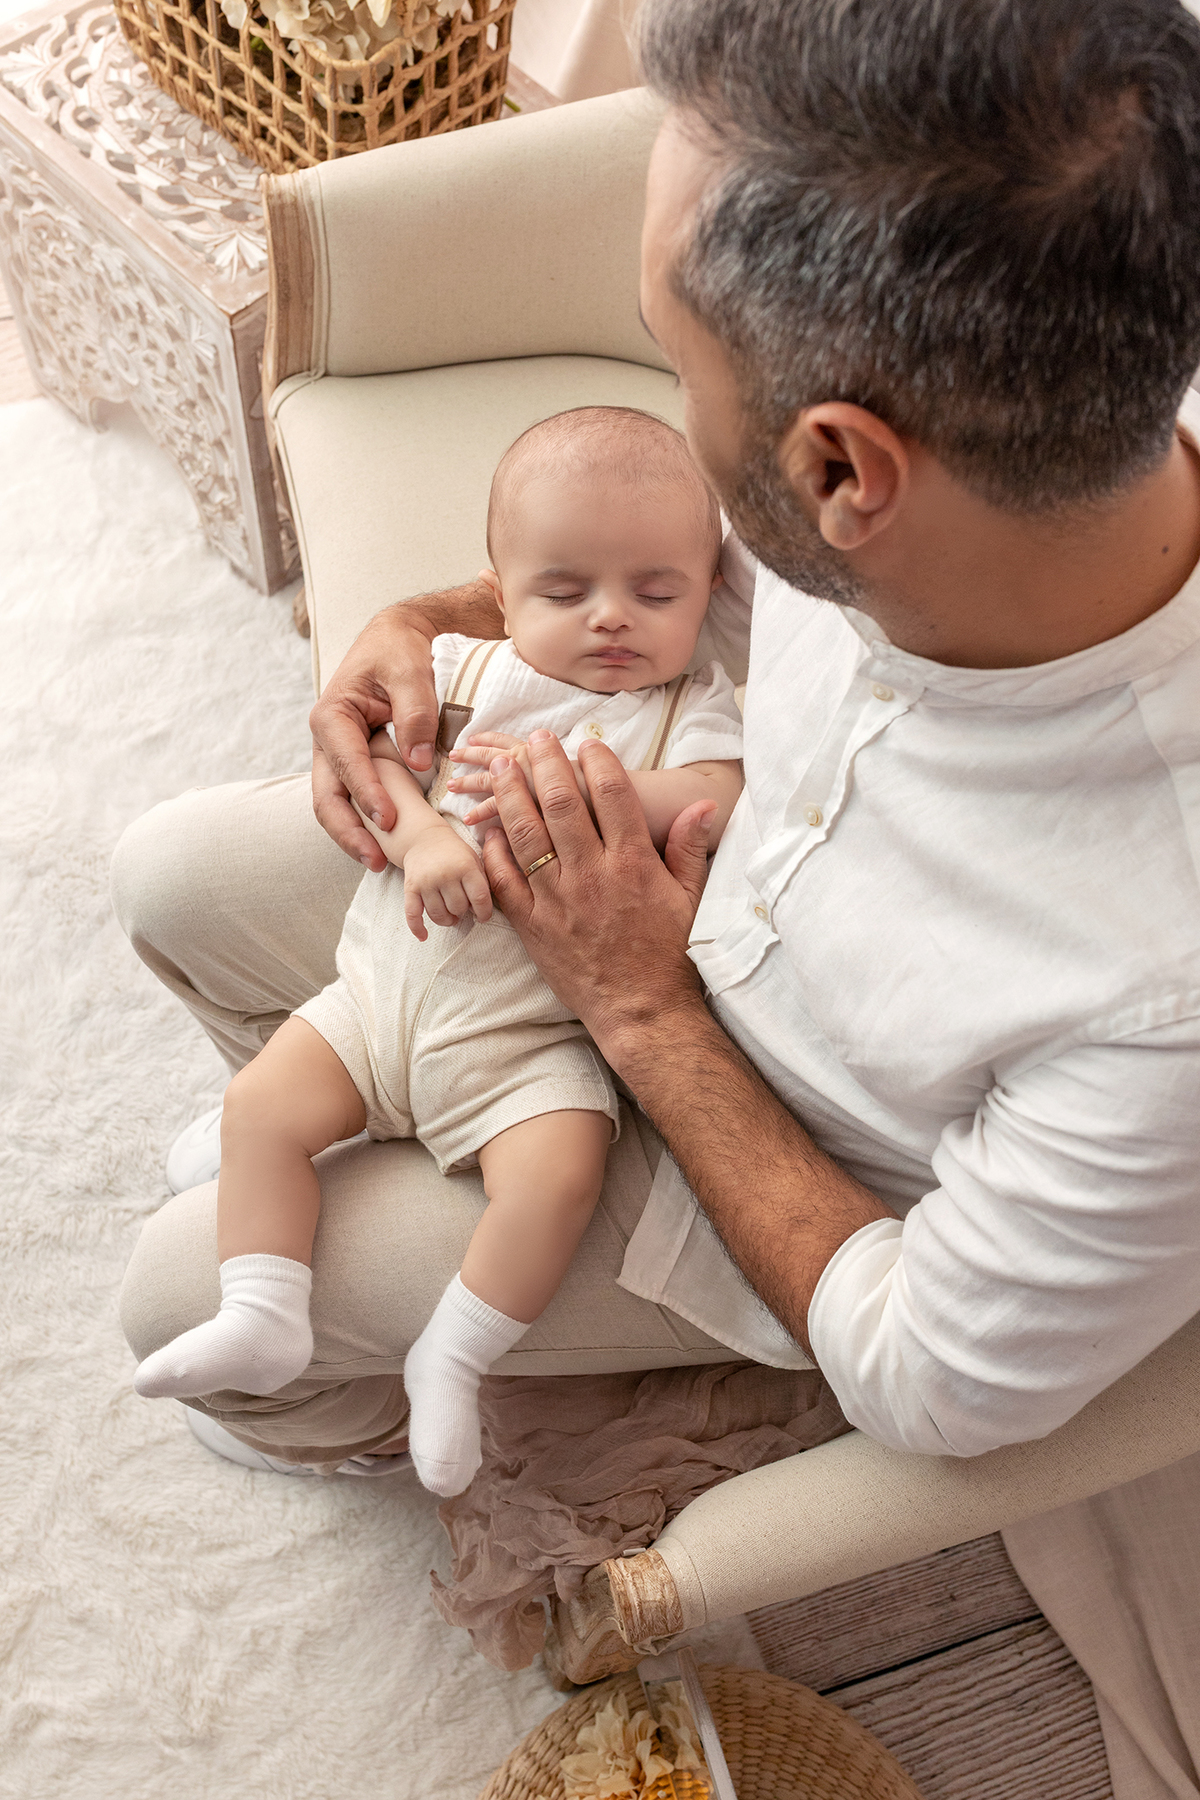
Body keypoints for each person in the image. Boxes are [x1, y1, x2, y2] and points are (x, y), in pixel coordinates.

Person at [115, 0, 1200, 1484]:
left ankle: (366, 1416)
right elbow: (704, 572)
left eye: (674, 374)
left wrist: (641, 1013)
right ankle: (385, 1111)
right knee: (171, 879)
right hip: (575, 900)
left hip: (750, 1150)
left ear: (840, 469)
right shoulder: (1011, 456)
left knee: (176, 1298)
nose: (661, 421)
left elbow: (936, 1378)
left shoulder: (1164, 997)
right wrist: (428, 614)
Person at [128, 406, 743, 1495]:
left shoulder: (688, 707)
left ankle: (450, 1356)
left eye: (658, 593)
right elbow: (378, 761)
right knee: (259, 1109)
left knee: (555, 1180)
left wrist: (591, 787)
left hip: (528, 1045)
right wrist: (415, 842)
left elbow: (715, 794)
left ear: (710, 588)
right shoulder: (471, 671)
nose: (612, 621)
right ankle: (261, 1311)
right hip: (374, 1002)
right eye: (566, 592)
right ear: (500, 590)